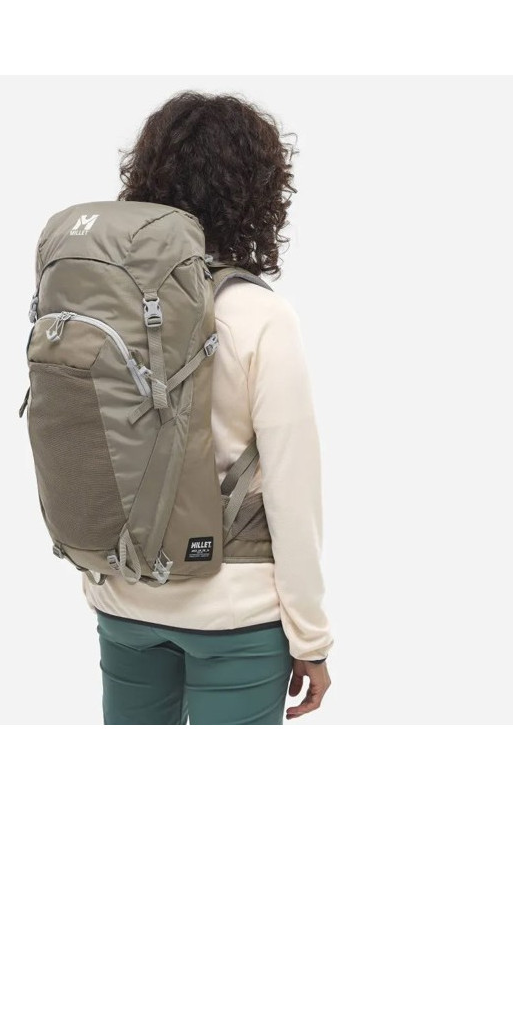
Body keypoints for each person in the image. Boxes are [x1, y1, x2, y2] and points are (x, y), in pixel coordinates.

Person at [84, 91, 333, 724]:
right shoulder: (259, 316)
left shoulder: (106, 306)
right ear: (258, 193)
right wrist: (310, 638)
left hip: (124, 599)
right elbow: (292, 491)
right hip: (233, 616)